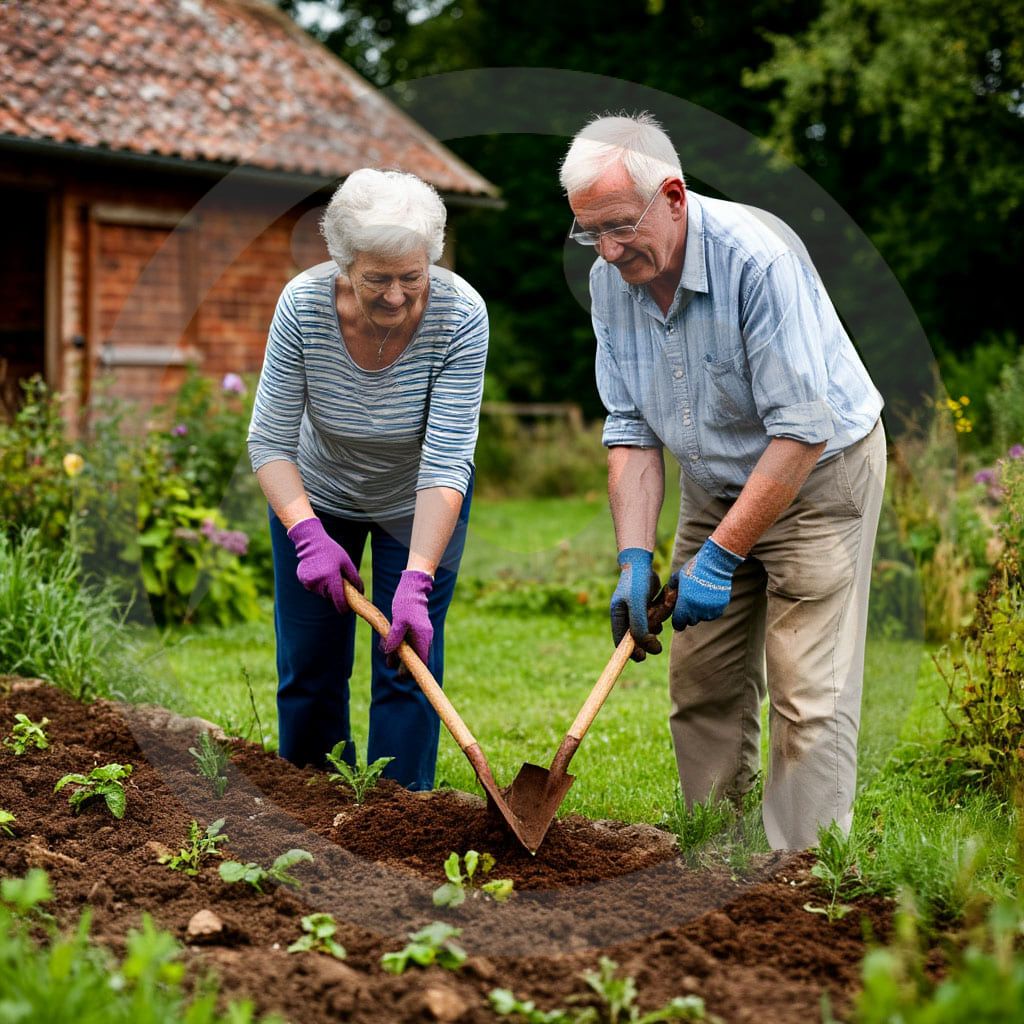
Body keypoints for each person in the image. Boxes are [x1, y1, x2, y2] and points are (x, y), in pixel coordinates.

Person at [559, 114, 886, 849]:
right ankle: (714, 856)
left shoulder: (757, 260)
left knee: (808, 691)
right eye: (590, 234)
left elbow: (803, 429)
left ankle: (801, 878)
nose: (607, 252)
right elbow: (631, 430)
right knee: (702, 679)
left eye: (618, 227)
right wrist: (636, 559)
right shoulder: (611, 283)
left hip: (820, 477)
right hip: (716, 478)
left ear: (672, 195)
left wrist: (719, 556)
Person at [247, 168, 488, 790]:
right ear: (343, 263)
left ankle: (399, 816)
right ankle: (309, 801)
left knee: (407, 660)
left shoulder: (461, 316)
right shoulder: (303, 305)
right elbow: (269, 442)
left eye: (412, 276)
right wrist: (307, 535)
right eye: (376, 278)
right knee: (310, 664)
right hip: (317, 497)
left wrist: (417, 577)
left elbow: (447, 459)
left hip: (418, 504)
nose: (396, 295)